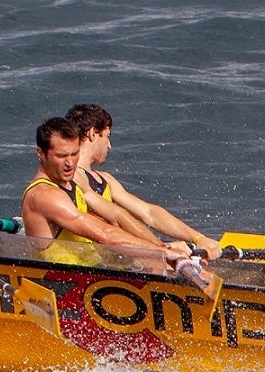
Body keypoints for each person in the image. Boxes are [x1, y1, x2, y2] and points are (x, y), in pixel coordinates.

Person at [22, 116, 191, 266]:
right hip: (62, 282)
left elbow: (115, 220)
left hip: (95, 271)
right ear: (41, 154)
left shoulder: (72, 183)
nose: (70, 163)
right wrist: (162, 252)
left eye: (74, 154)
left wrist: (161, 247)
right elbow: (105, 235)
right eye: (61, 156)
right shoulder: (44, 195)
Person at [64, 103, 221, 259]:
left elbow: (149, 213)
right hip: (83, 263)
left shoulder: (105, 179)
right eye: (107, 136)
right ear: (92, 134)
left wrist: (198, 238)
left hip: (108, 258)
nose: (109, 146)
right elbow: (109, 223)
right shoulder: (68, 177)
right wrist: (163, 248)